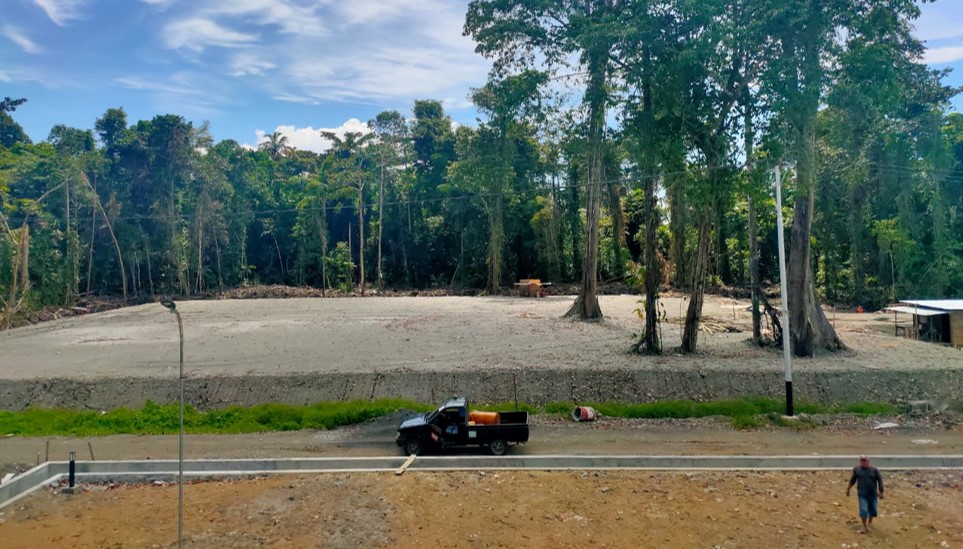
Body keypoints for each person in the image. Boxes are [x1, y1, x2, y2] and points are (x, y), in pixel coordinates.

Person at [846, 455, 884, 533]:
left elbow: (880, 481)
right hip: (862, 493)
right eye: (862, 461)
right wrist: (848, 489)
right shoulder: (857, 470)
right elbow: (852, 480)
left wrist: (881, 492)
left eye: (865, 461)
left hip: (873, 493)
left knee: (873, 510)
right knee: (863, 510)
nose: (863, 462)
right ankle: (864, 527)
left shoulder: (874, 470)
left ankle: (869, 522)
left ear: (868, 461)